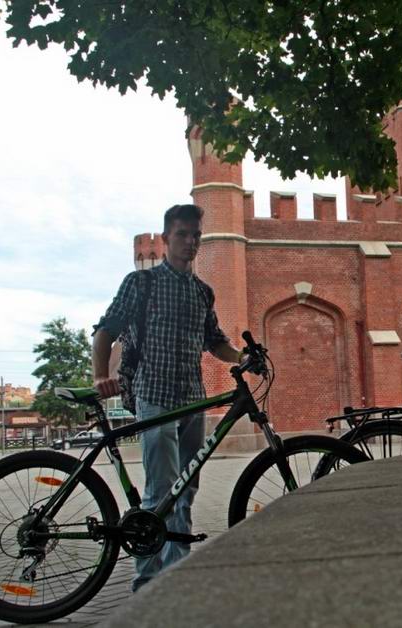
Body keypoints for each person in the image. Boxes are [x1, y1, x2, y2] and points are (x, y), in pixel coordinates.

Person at [91, 203, 243, 592]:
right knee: (161, 491)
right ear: (165, 239)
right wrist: (100, 376)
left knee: (185, 489)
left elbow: (216, 342)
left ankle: (177, 579)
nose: (190, 242)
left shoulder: (202, 292)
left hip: (193, 397)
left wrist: (244, 358)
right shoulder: (141, 283)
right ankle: (147, 585)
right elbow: (106, 331)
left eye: (196, 236)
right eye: (182, 234)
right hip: (154, 396)